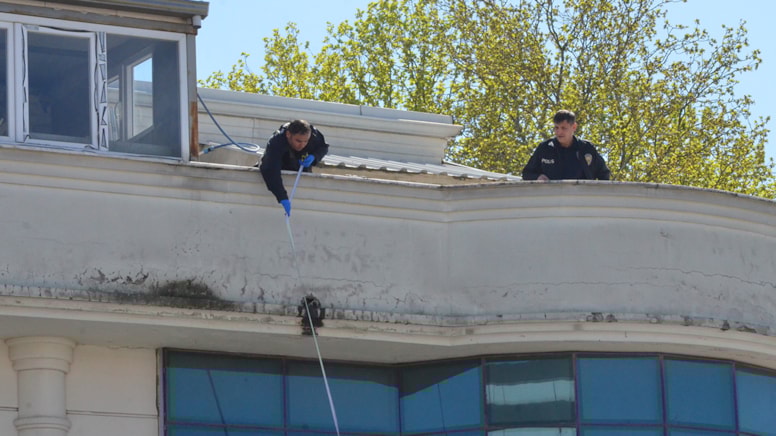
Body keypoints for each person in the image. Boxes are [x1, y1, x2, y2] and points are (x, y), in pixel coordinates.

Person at [258, 119, 329, 216]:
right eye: (298, 141)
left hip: (300, 167)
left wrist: (315, 156)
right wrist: (282, 197)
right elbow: (271, 169)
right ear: (288, 134)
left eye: (306, 141)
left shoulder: (314, 135)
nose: (302, 145)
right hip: (282, 165)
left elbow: (323, 147)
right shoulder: (276, 142)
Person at [522, 110, 610, 181]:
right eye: (556, 128)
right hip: (552, 199)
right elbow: (527, 173)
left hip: (581, 200)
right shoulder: (545, 148)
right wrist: (538, 177)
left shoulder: (586, 149)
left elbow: (604, 174)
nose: (559, 132)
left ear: (574, 127)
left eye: (563, 128)